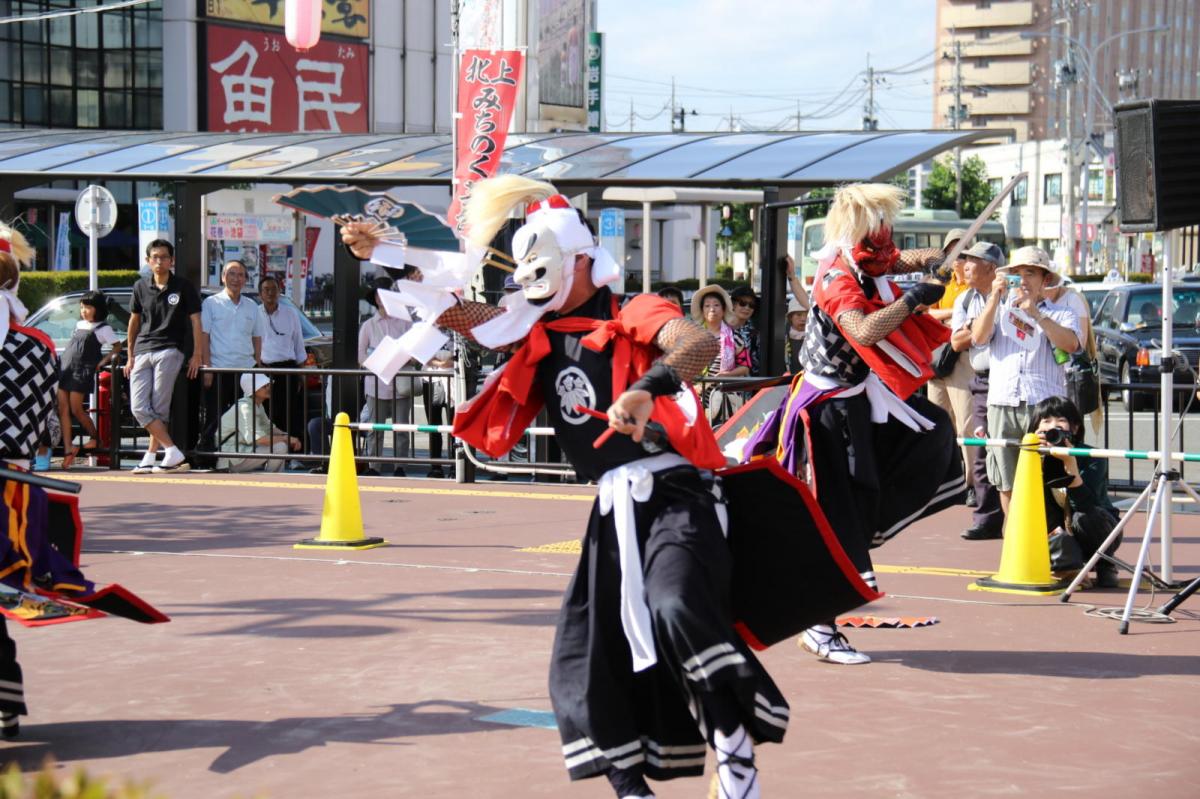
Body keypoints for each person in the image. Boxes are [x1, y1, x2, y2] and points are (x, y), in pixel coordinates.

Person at [342, 175, 794, 799]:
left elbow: (696, 344)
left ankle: (736, 756)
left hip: (676, 497)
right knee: (582, 661)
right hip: (612, 513)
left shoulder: (636, 312)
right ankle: (632, 789)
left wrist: (644, 389)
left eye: (542, 260)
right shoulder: (536, 328)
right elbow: (460, 315)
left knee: (676, 609)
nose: (529, 274)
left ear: (580, 260)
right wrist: (384, 257)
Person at [743, 183, 965, 665]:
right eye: (877, 237)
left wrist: (944, 255)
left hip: (861, 402)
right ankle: (819, 626)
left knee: (934, 438)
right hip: (824, 414)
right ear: (854, 233)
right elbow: (863, 329)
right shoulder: (836, 276)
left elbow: (903, 258)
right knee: (830, 516)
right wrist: (913, 301)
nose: (886, 247)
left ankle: (861, 540)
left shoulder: (871, 259)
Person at [971, 246, 1082, 513]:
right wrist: (994, 298)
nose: (1021, 280)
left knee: (1048, 480)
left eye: (1029, 273)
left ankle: (1051, 541)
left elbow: (1072, 344)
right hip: (1002, 402)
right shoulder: (998, 310)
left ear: (1044, 280)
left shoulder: (1060, 313)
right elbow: (977, 337)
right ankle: (1014, 545)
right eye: (1015, 273)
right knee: (1006, 482)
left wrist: (1037, 315)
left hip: (1043, 408)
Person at [124, 239, 202, 474]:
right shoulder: (140, 286)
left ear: (172, 260)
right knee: (139, 407)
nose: (160, 261)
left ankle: (150, 456)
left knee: (159, 408)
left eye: (164, 257)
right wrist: (129, 354)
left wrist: (197, 354)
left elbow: (196, 320)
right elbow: (133, 321)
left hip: (170, 349)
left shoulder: (183, 286)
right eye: (155, 257)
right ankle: (171, 450)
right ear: (148, 261)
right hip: (142, 349)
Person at [1028, 395, 1121, 588]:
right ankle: (1069, 565)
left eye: (1061, 420)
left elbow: (1088, 506)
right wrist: (1034, 455)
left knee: (1082, 517)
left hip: (1099, 527)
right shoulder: (1033, 456)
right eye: (1046, 421)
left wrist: (1070, 464)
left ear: (1075, 428)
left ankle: (1104, 561)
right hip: (1062, 534)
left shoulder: (1091, 456)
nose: (1054, 426)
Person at [950, 242, 1008, 541]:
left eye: (972, 261)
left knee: (1014, 450)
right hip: (982, 380)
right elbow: (957, 341)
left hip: (1013, 380)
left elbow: (977, 335)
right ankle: (987, 518)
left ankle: (1031, 520)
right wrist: (977, 325)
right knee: (982, 450)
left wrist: (974, 331)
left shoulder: (1009, 295)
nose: (965, 265)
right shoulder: (964, 299)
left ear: (991, 267)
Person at [926, 230, 977, 503]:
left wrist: (950, 315)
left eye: (963, 250)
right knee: (937, 421)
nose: (958, 257)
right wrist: (954, 312)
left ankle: (970, 483)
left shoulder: (974, 284)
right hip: (935, 355)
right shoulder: (940, 281)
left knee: (966, 424)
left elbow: (973, 317)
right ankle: (942, 480)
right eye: (953, 250)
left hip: (961, 358)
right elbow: (925, 311)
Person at [57, 290, 122, 468]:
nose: (83, 310)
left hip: (82, 370)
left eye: (88, 307)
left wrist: (102, 361)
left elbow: (117, 347)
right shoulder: (79, 324)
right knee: (63, 408)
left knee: (77, 409)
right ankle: (68, 449)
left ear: (98, 309)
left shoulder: (104, 328)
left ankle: (96, 439)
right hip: (66, 367)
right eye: (82, 307)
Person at [359, 275, 416, 476]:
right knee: (376, 428)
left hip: (399, 382)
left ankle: (400, 466)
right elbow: (361, 356)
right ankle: (374, 465)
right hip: (376, 381)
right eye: (379, 295)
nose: (382, 299)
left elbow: (414, 351)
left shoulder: (405, 323)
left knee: (402, 428)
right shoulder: (368, 325)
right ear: (375, 299)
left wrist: (397, 359)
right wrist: (379, 361)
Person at [200, 260, 264, 437]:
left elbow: (257, 338)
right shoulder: (211, 303)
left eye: (241, 275)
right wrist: (207, 368)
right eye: (231, 274)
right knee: (215, 416)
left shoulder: (252, 306)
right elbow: (204, 336)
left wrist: (257, 366)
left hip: (246, 371)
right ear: (223, 277)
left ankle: (241, 457)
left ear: (245, 279)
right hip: (220, 369)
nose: (236, 278)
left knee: (246, 417)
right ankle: (209, 455)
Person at [256, 275, 307, 444]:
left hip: (287, 369)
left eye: (274, 289)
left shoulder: (290, 313)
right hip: (263, 370)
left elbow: (299, 344)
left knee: (291, 413)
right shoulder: (254, 314)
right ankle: (270, 453)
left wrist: (301, 372)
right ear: (260, 294)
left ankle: (294, 456)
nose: (270, 293)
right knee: (266, 414)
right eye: (266, 289)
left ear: (279, 292)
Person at [217, 373, 301, 472]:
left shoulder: (256, 405)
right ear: (253, 389)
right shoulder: (245, 408)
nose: (268, 387)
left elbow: (269, 428)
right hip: (231, 459)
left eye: (268, 384)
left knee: (280, 445)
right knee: (280, 447)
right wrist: (286, 438)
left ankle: (271, 479)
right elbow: (259, 439)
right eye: (264, 385)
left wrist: (288, 437)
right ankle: (271, 480)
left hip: (240, 453)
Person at [691, 284, 747, 424]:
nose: (712, 309)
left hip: (723, 400)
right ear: (702, 310)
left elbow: (745, 367)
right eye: (707, 305)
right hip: (694, 398)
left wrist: (726, 375)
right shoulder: (692, 337)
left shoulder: (735, 338)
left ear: (723, 310)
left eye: (716, 305)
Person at [728, 285, 760, 377]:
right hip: (720, 383)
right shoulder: (722, 329)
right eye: (742, 303)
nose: (747, 308)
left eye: (751, 305)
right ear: (733, 305)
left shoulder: (755, 333)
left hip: (748, 385)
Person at [783, 296, 808, 375]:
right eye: (798, 315)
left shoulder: (814, 337)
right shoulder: (782, 337)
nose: (803, 319)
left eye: (806, 315)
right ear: (790, 317)